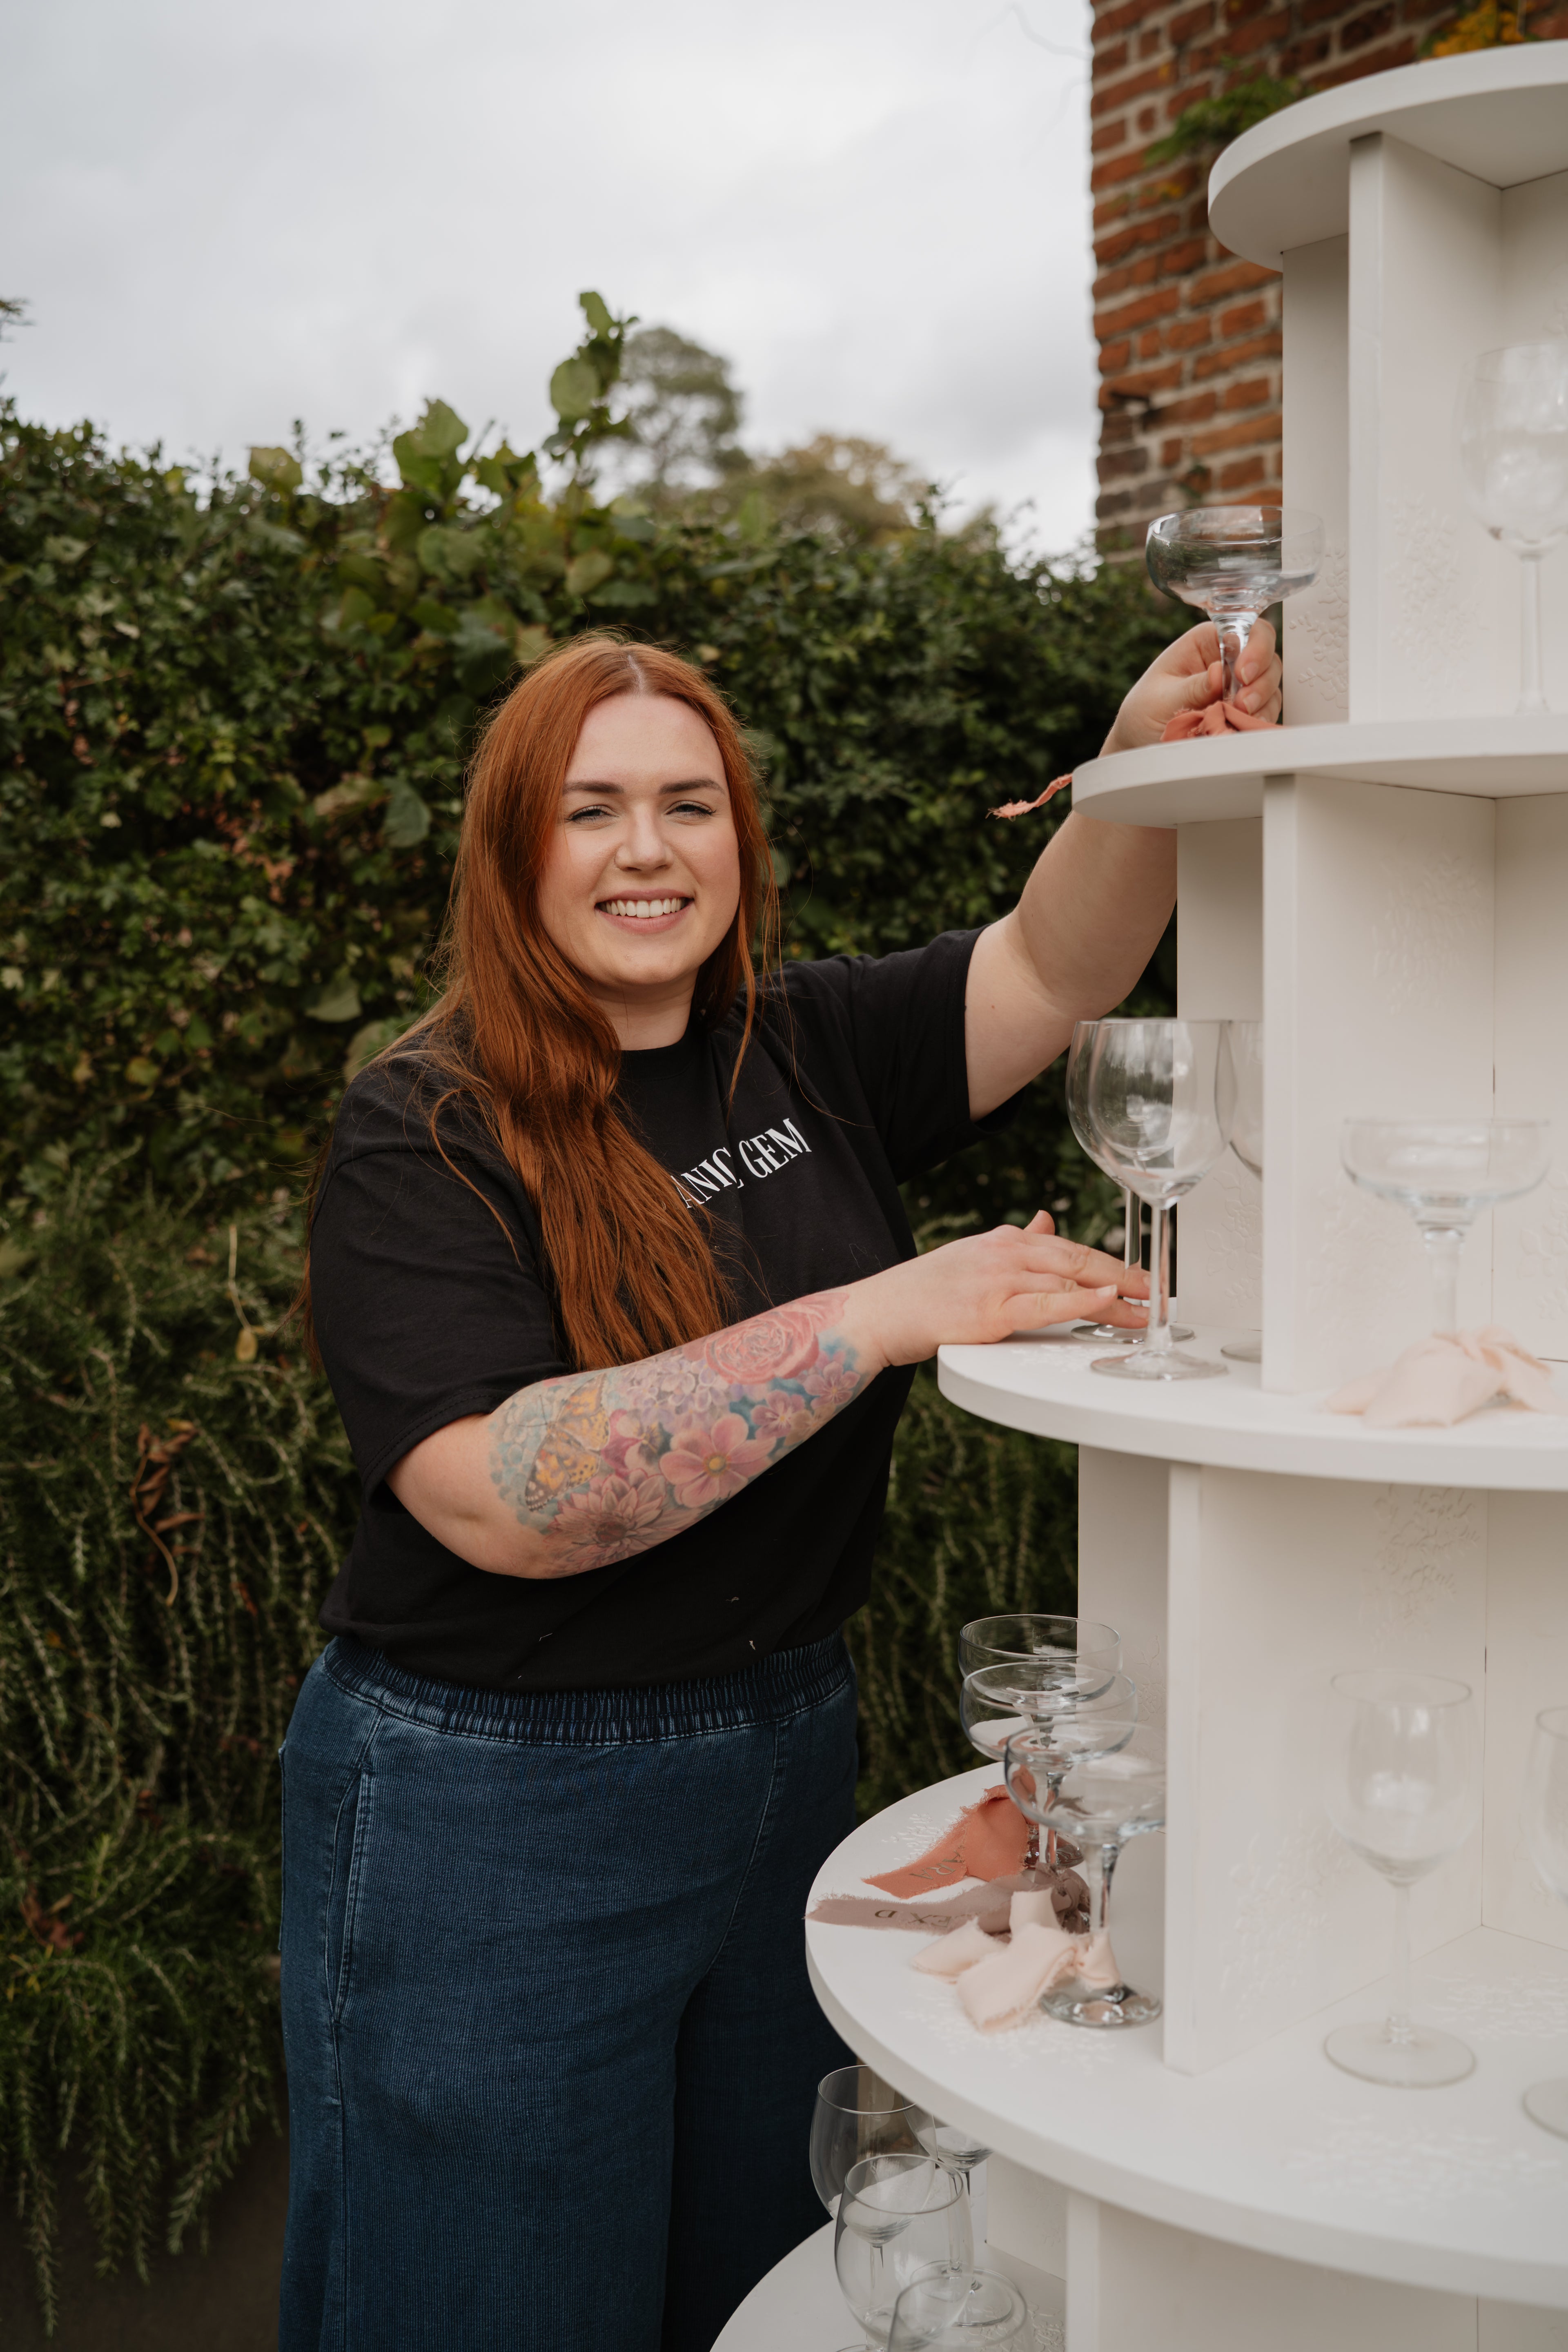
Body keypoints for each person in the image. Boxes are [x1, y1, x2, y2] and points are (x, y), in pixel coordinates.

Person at [279, 620, 1280, 2352]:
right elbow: (503, 1496)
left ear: (741, 835)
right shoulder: (422, 1129)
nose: (649, 850)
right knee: (490, 2303)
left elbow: (1055, 965)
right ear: (514, 851)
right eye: (592, 811)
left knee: (758, 2278)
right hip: (499, 1809)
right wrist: (891, 1311)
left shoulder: (803, 1041)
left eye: (689, 803)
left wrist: (1134, 753)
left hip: (784, 1759)